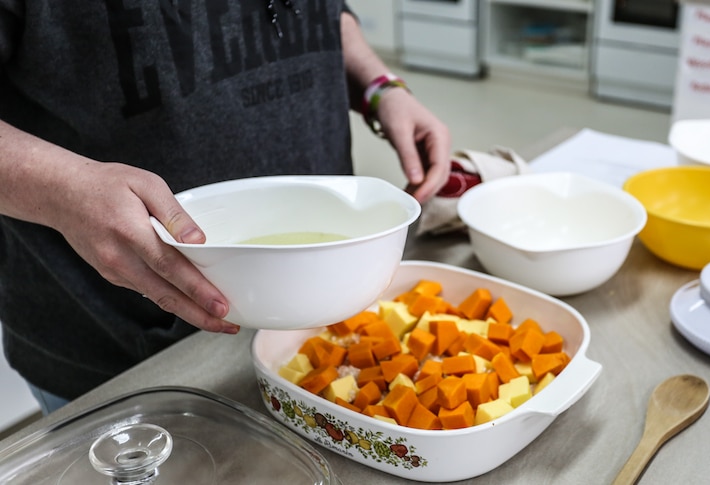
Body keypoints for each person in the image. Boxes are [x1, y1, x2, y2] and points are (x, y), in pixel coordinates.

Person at [0, 1, 451, 415]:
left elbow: (326, 11)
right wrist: (67, 190)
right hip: (119, 350)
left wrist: (378, 86)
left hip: (325, 322)